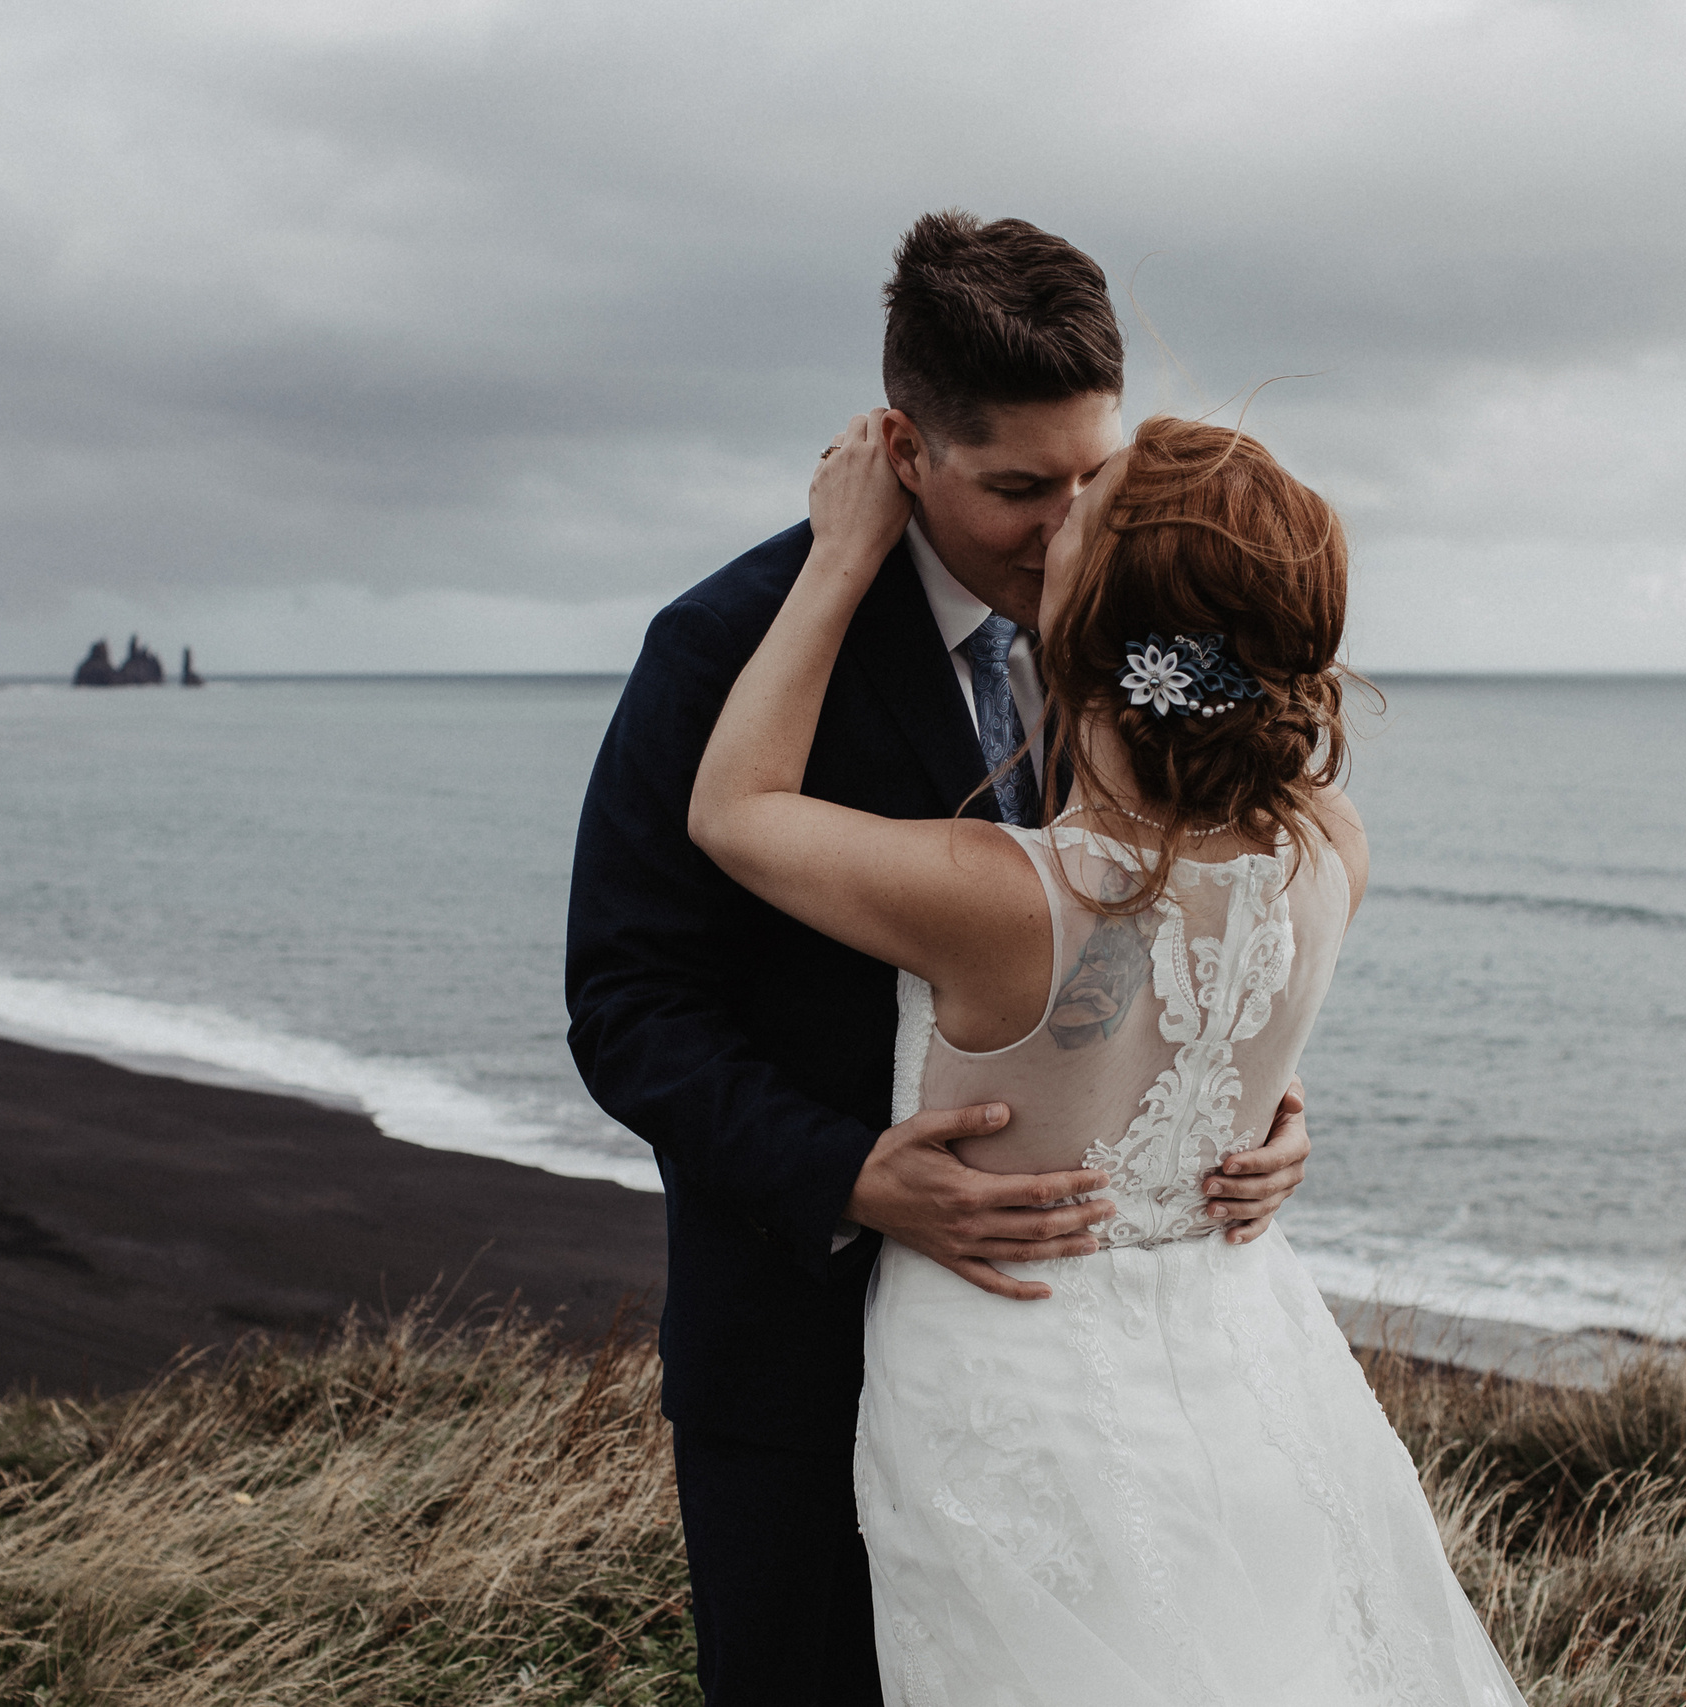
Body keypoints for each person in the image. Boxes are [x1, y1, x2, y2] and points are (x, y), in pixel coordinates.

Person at [565, 212, 1320, 1706]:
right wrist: (851, 1175)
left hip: (1083, 1386)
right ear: (905, 450)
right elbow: (627, 1005)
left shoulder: (1143, 629)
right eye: (1019, 489)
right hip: (801, 1347)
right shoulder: (723, 645)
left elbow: (1193, 910)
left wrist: (1249, 1102)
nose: (1066, 530)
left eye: (1092, 477)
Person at [686, 408, 1527, 1705]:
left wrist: (839, 558)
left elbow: (735, 810)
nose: (1056, 514)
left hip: (1010, 1379)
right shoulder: (1331, 850)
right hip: (1245, 1353)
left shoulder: (1000, 898)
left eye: (1084, 508)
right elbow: (1202, 1014)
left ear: (1087, 622)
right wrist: (1272, 1116)